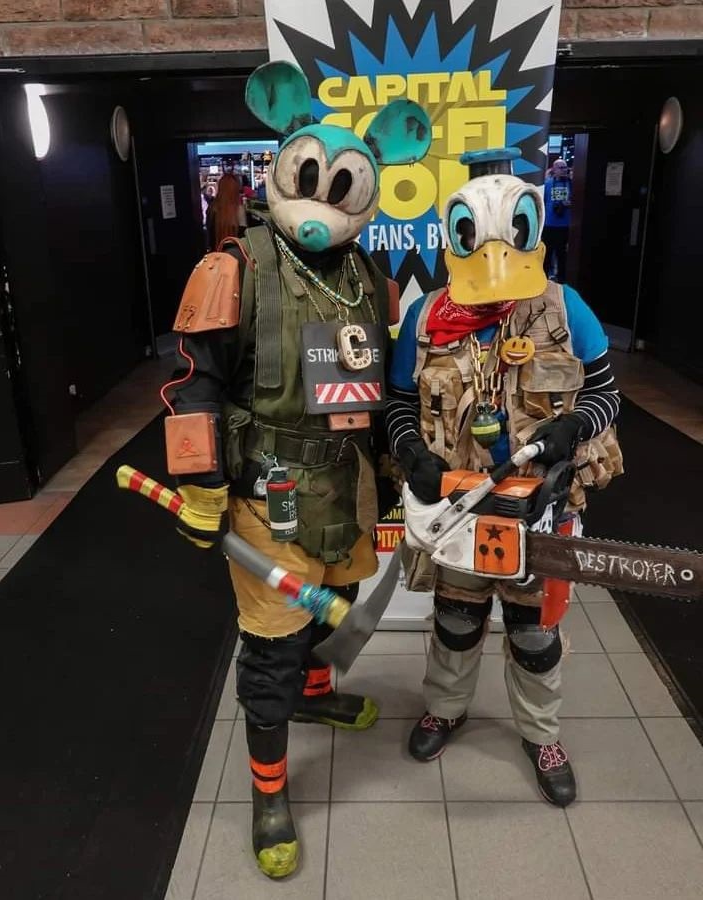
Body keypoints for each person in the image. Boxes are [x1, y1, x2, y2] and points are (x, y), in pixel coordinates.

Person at [162, 61, 431, 878]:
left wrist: (401, 466)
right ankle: (270, 792)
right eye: (311, 177)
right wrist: (201, 486)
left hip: (347, 484)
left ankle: (317, 697)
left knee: (332, 608)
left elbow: (384, 385)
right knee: (272, 649)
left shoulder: (369, 278)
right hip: (266, 492)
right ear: (285, 164)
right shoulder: (232, 268)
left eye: (343, 186)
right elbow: (192, 383)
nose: (323, 199)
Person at [386, 148, 622, 808]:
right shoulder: (426, 318)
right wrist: (411, 451)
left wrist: (574, 427)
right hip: (459, 510)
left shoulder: (565, 309)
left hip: (540, 508)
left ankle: (542, 734)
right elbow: (399, 402)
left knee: (533, 633)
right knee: (456, 619)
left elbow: (606, 393)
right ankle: (445, 709)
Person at [543, 157, 573, 281]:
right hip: (549, 224)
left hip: (564, 225)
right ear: (554, 169)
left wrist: (569, 203)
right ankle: (544, 277)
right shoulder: (547, 184)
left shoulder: (572, 184)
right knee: (547, 253)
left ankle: (561, 279)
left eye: (565, 167)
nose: (564, 170)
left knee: (562, 254)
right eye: (561, 167)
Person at [205, 172, 245, 251]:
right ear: (235, 189)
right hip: (235, 254)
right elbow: (244, 237)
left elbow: (209, 235)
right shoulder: (240, 210)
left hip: (216, 252)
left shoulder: (211, 209)